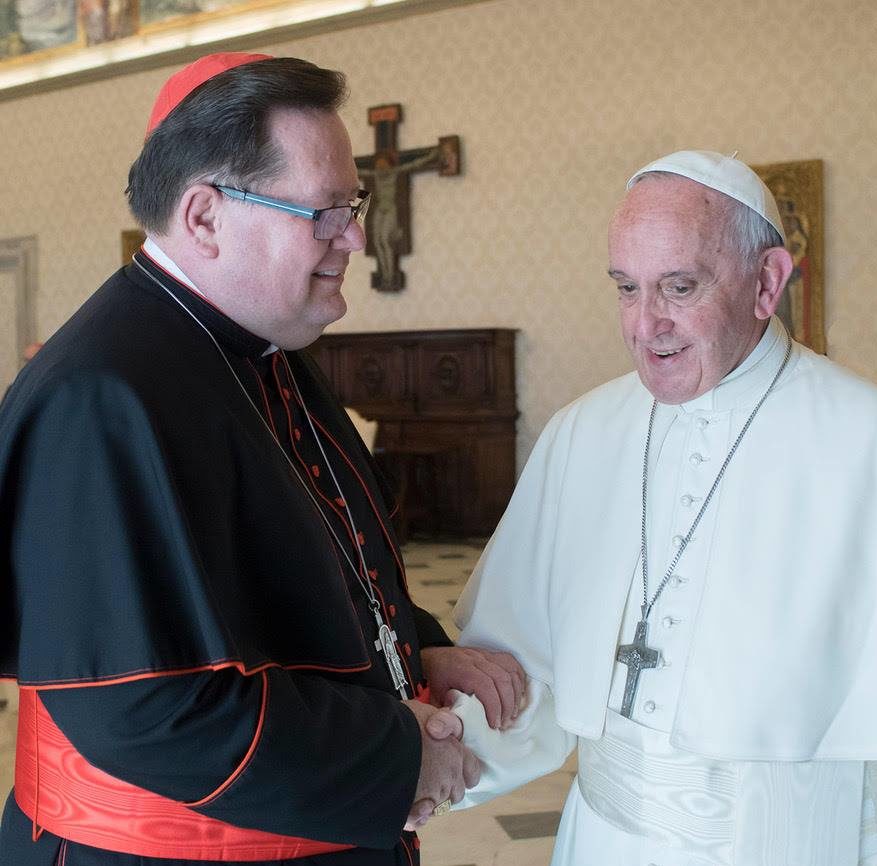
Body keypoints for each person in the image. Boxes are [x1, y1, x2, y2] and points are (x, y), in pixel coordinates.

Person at [0, 52, 524, 866]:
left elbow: (317, 568)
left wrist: (415, 650)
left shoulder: (261, 352)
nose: (355, 236)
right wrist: (395, 756)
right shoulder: (102, 395)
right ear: (206, 217)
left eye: (354, 205)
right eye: (324, 211)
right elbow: (144, 709)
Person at [443, 151, 877, 865]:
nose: (645, 324)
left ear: (767, 282)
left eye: (679, 287)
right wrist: (430, 762)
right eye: (627, 288)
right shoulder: (581, 433)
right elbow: (520, 669)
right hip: (600, 842)